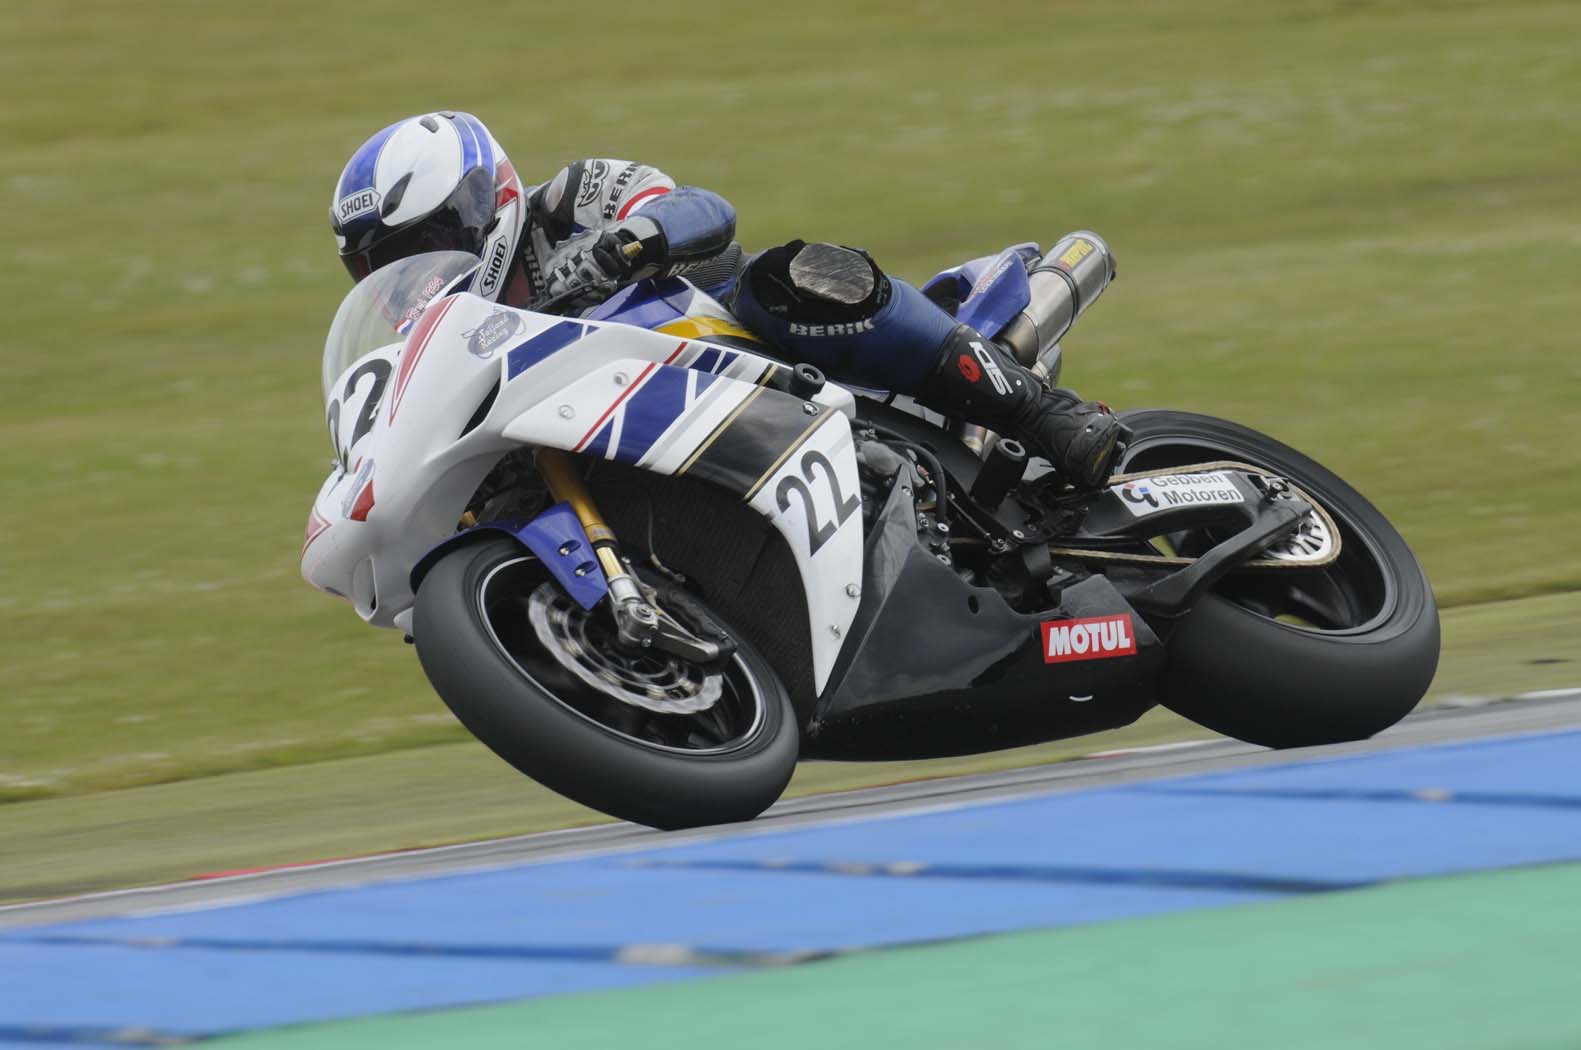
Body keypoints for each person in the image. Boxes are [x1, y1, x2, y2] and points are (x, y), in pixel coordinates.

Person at [329, 111, 1127, 488]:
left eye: (421, 243)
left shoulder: (569, 198)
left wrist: (619, 246)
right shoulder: (445, 332)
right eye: (385, 266)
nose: (417, 273)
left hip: (735, 344)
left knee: (786, 281)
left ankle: (1034, 412)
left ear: (481, 203)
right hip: (626, 421)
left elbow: (700, 208)